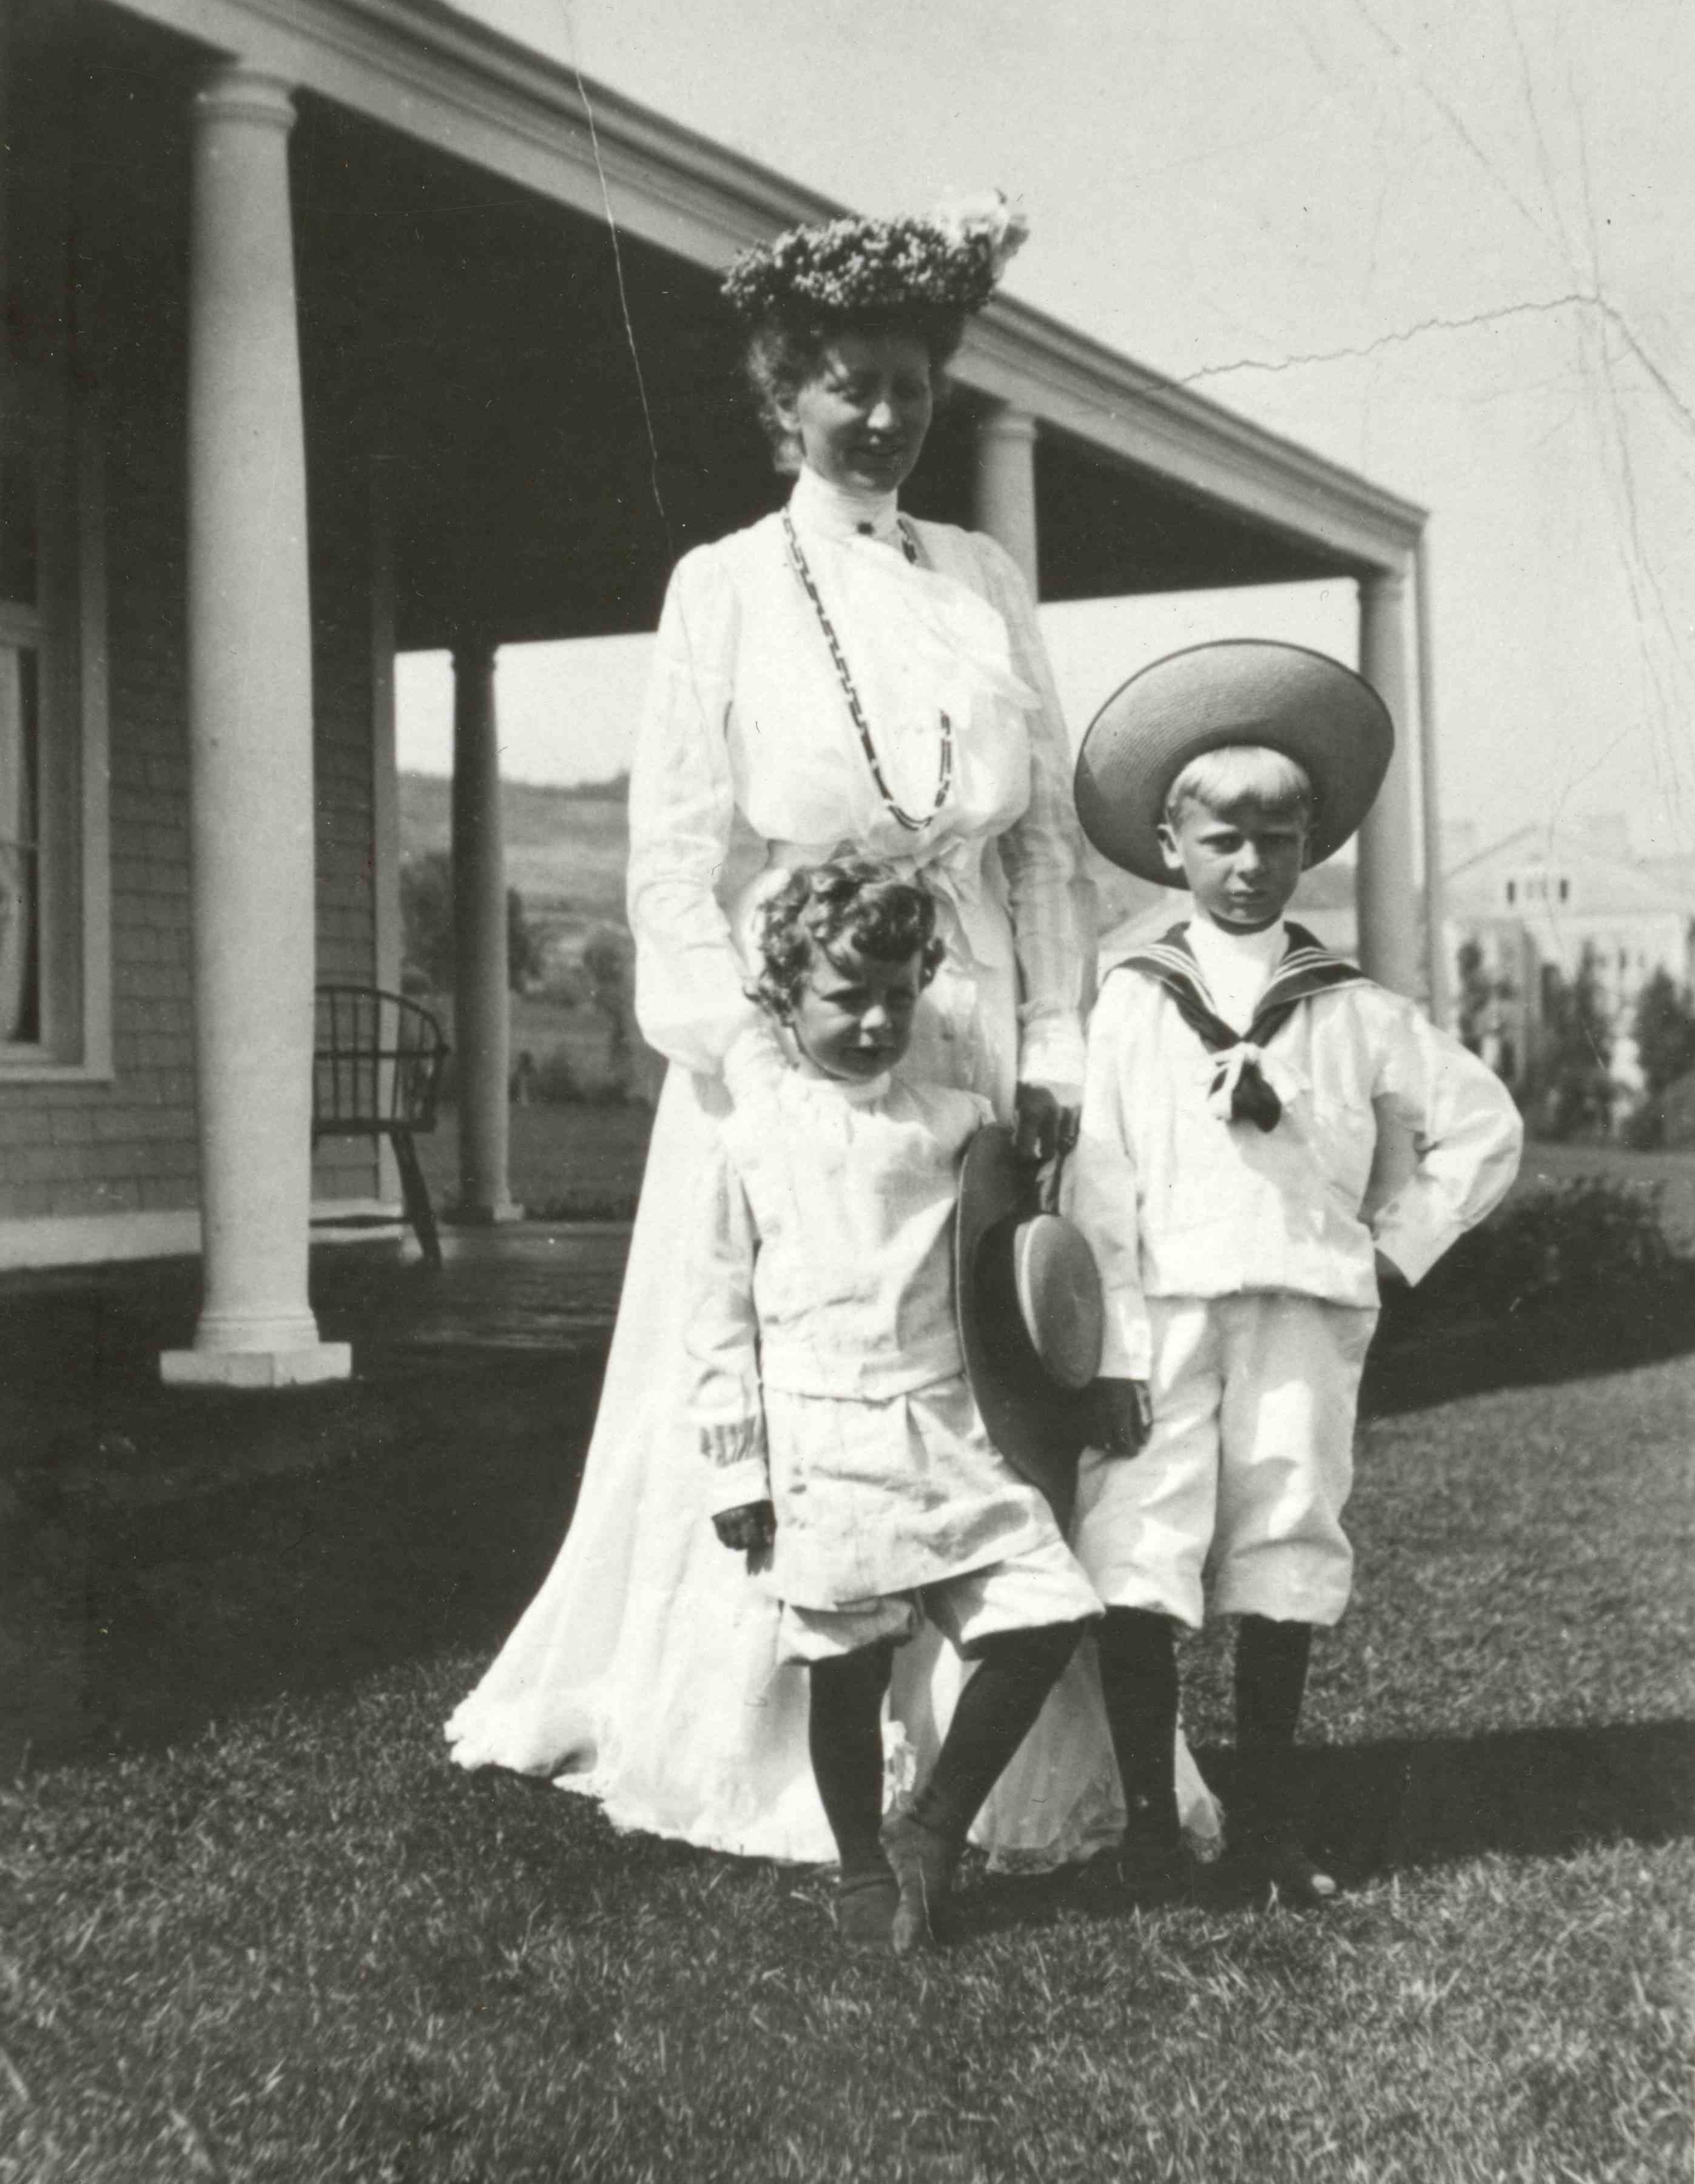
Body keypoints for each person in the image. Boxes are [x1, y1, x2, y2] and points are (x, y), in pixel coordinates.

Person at [447, 196, 1217, 1868]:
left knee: (987, 1361)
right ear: (785, 395)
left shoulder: (984, 575)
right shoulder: (724, 584)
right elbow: (670, 849)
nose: (882, 416)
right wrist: (742, 1060)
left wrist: (1058, 1041)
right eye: (849, 385)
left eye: (912, 387)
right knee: (804, 1346)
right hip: (802, 1033)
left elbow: (1029, 844)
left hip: (983, 1028)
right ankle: (780, 1733)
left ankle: (993, 1739)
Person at [1066, 643, 1524, 1902]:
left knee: (1282, 1540)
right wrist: (1105, 1348)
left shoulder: (1352, 1009)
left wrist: (1387, 1249)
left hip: (1305, 1317)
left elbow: (1483, 1129)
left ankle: (1263, 1825)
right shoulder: (1128, 1000)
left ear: (1310, 844)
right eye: (1221, 839)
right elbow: (1097, 1181)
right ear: (1169, 846)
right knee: (1139, 1543)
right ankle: (1152, 1829)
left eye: (1278, 837)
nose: (1250, 862)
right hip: (1159, 1315)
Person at [691, 860, 1104, 1949]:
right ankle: (862, 1866)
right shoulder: (750, 1138)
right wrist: (737, 1471)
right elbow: (718, 1315)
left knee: (1045, 1609)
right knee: (847, 1663)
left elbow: (1008, 1268)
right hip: (823, 1439)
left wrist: (1038, 1152)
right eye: (844, 998)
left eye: (897, 998)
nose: (876, 1023)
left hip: (947, 1427)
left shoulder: (960, 1124)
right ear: (783, 997)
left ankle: (931, 1824)